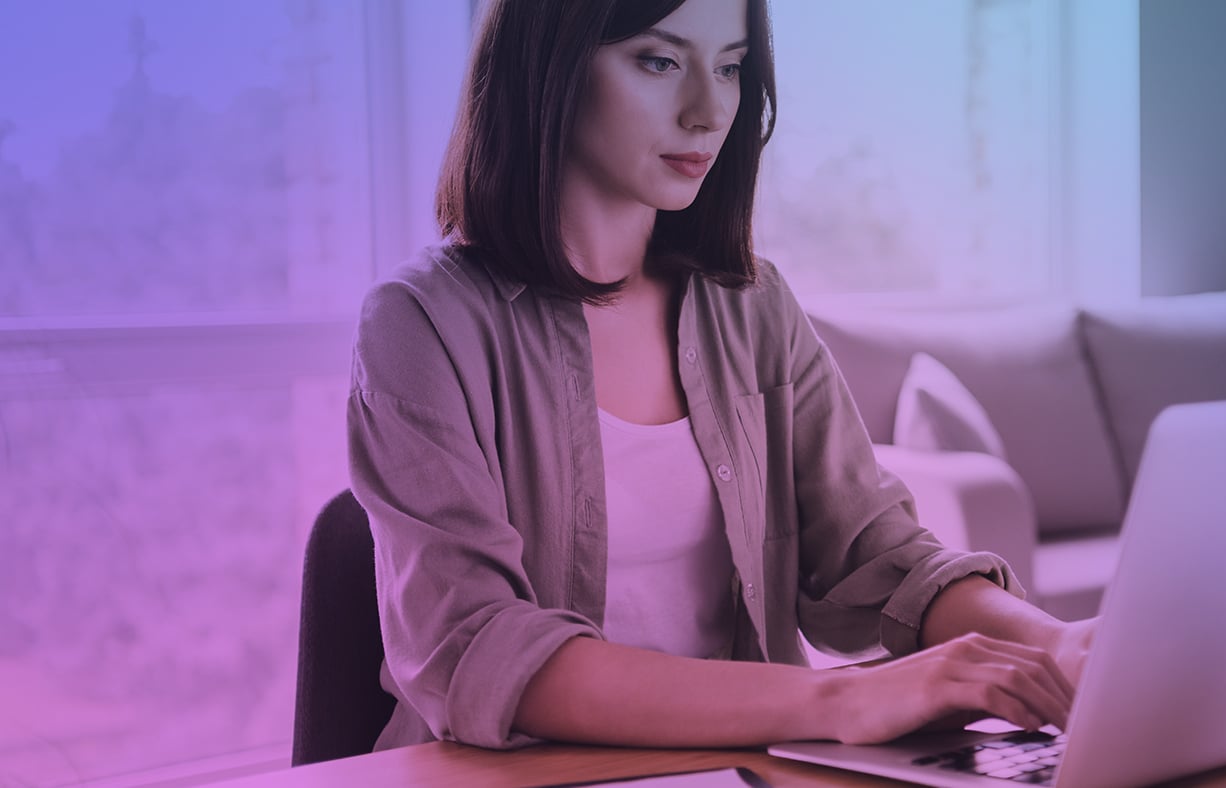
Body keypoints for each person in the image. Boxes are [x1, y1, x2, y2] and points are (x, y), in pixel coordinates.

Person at [347, 0, 1094, 753]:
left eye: (731, 67)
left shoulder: (754, 307)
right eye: (660, 61)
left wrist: (1055, 648)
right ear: (550, 68)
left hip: (740, 769)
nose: (710, 112)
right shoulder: (421, 325)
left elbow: (876, 553)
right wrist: (842, 699)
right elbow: (481, 649)